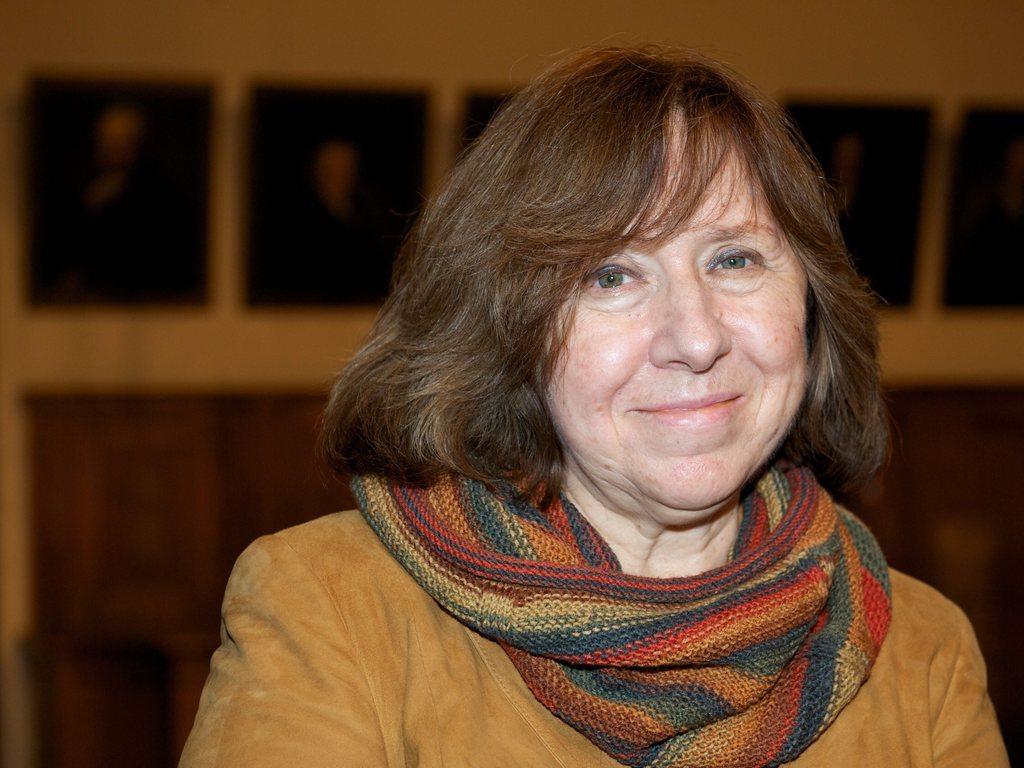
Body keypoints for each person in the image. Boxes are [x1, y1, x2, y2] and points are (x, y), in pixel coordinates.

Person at [179, 46, 1009, 767]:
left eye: (734, 259)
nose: (696, 338)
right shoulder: (329, 605)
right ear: (506, 327)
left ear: (812, 301)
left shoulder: (921, 646)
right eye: (611, 276)